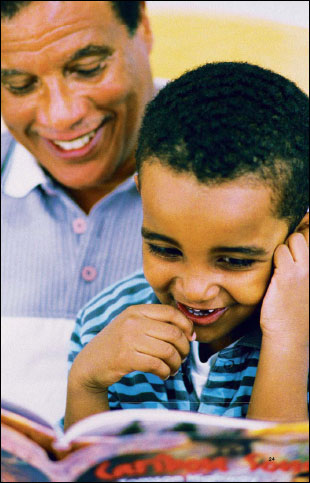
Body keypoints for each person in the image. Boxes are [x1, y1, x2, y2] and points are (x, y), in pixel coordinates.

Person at [64, 62, 309, 430]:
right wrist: (86, 384)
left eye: (233, 260)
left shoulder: (301, 338)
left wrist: (287, 346)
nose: (194, 289)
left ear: (301, 236)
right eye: (165, 250)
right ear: (141, 193)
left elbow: (277, 470)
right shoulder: (102, 325)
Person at [1, 1, 157, 422]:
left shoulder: (258, 178)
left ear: (141, 24)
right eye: (19, 85)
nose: (62, 114)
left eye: (87, 68)